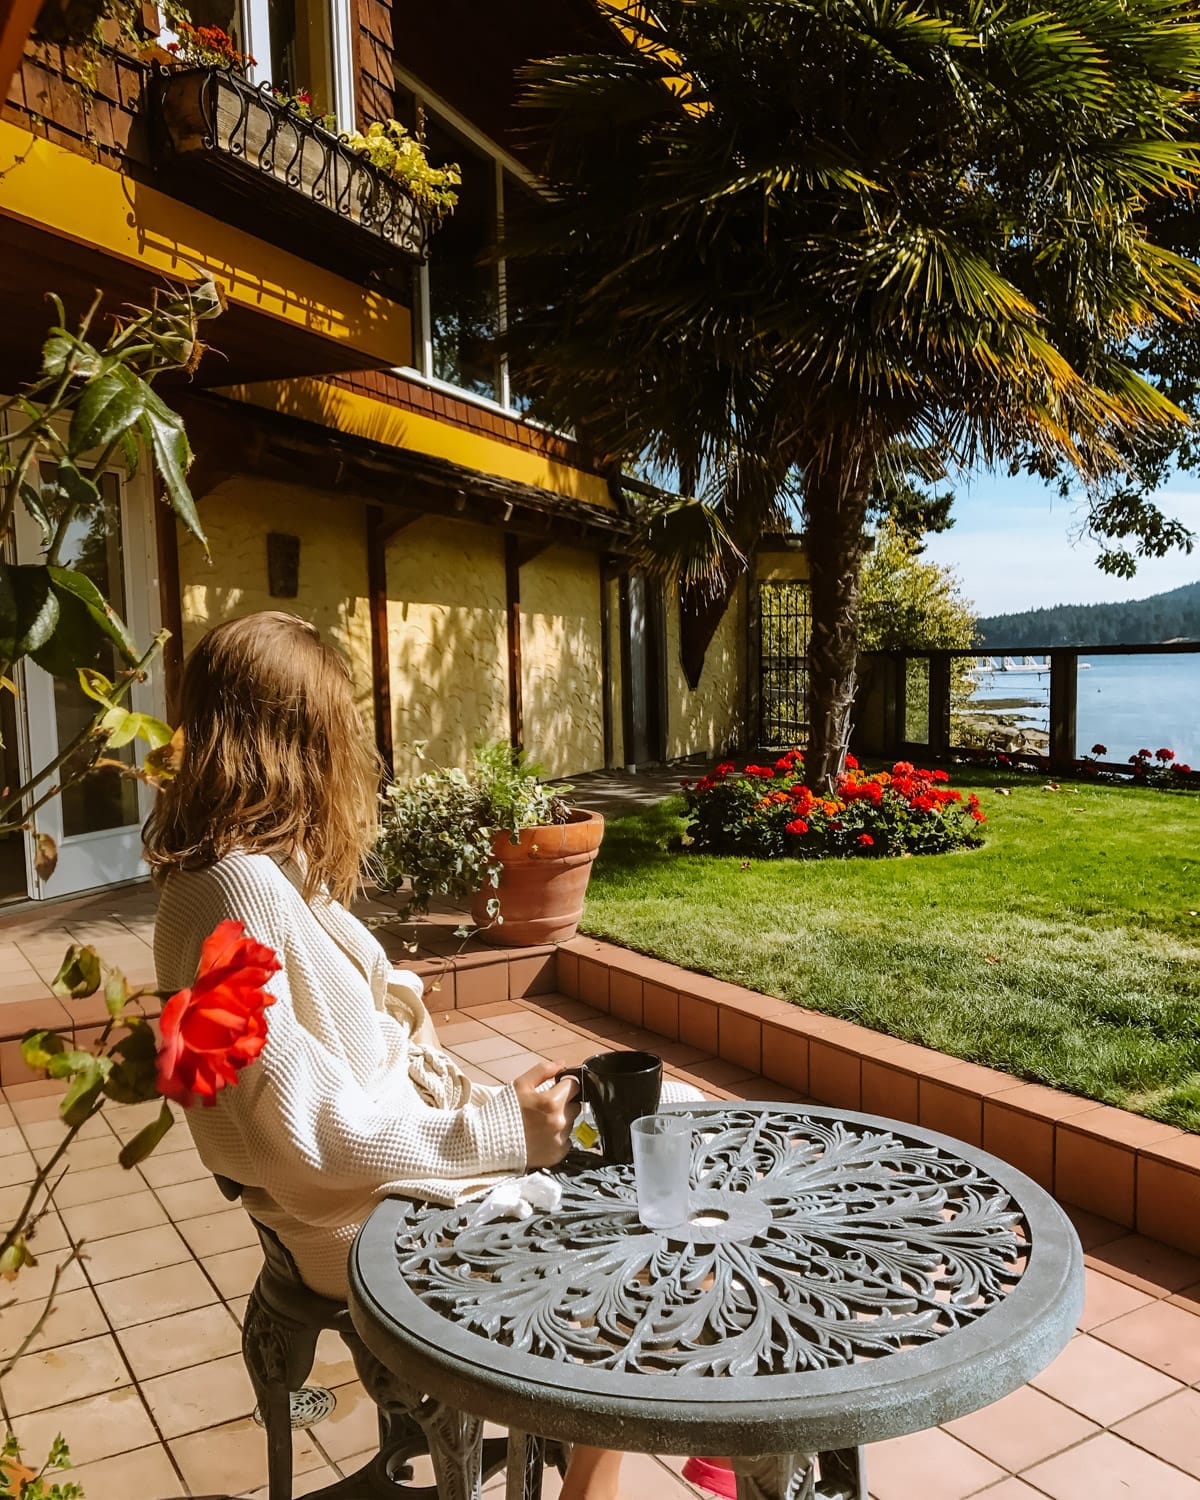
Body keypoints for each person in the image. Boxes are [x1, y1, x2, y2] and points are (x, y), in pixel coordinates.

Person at [145, 610, 677, 1500]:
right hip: (356, 1224)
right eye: (338, 725)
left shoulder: (250, 878)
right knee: (642, 1245)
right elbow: (301, 1138)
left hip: (378, 1185)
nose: (353, 749)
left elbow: (322, 1083)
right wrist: (502, 1131)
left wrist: (484, 1110)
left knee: (663, 1159)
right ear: (294, 739)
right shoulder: (228, 894)